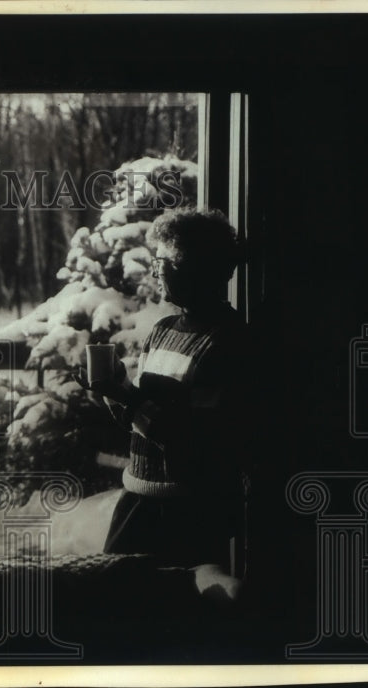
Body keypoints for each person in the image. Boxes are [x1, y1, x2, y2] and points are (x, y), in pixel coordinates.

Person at [76, 207, 251, 571]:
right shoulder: (164, 330)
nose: (156, 269)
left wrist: (125, 395)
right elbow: (138, 420)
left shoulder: (227, 342)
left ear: (195, 266)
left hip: (186, 513)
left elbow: (193, 439)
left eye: (164, 260)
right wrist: (113, 387)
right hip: (138, 500)